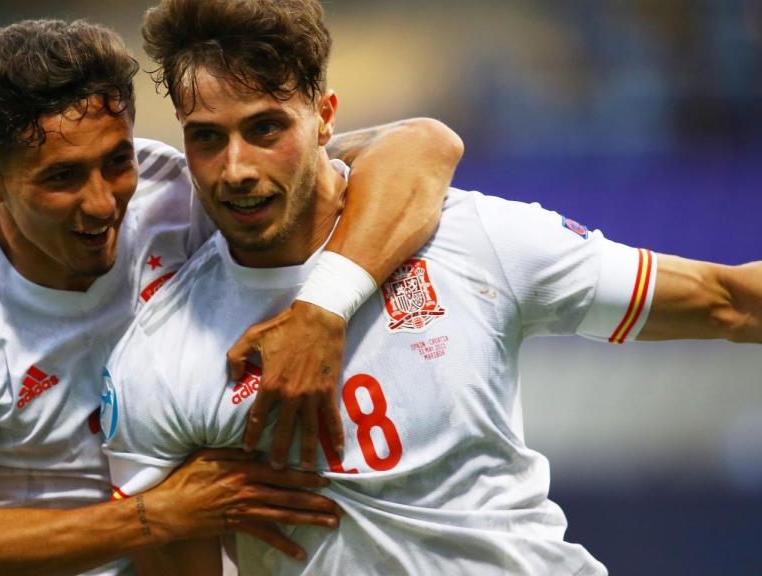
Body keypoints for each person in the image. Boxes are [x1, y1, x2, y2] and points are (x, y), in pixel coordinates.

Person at [101, 0, 762, 574]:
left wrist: (323, 308)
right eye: (207, 139)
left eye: (266, 128)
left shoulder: (473, 241)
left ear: (325, 118)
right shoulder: (158, 357)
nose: (236, 168)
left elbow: (727, 300)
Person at [0, 17, 463, 576]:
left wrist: (322, 309)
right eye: (62, 178)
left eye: (116, 161)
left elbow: (422, 146)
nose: (103, 203)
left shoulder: (177, 192)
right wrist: (158, 515)